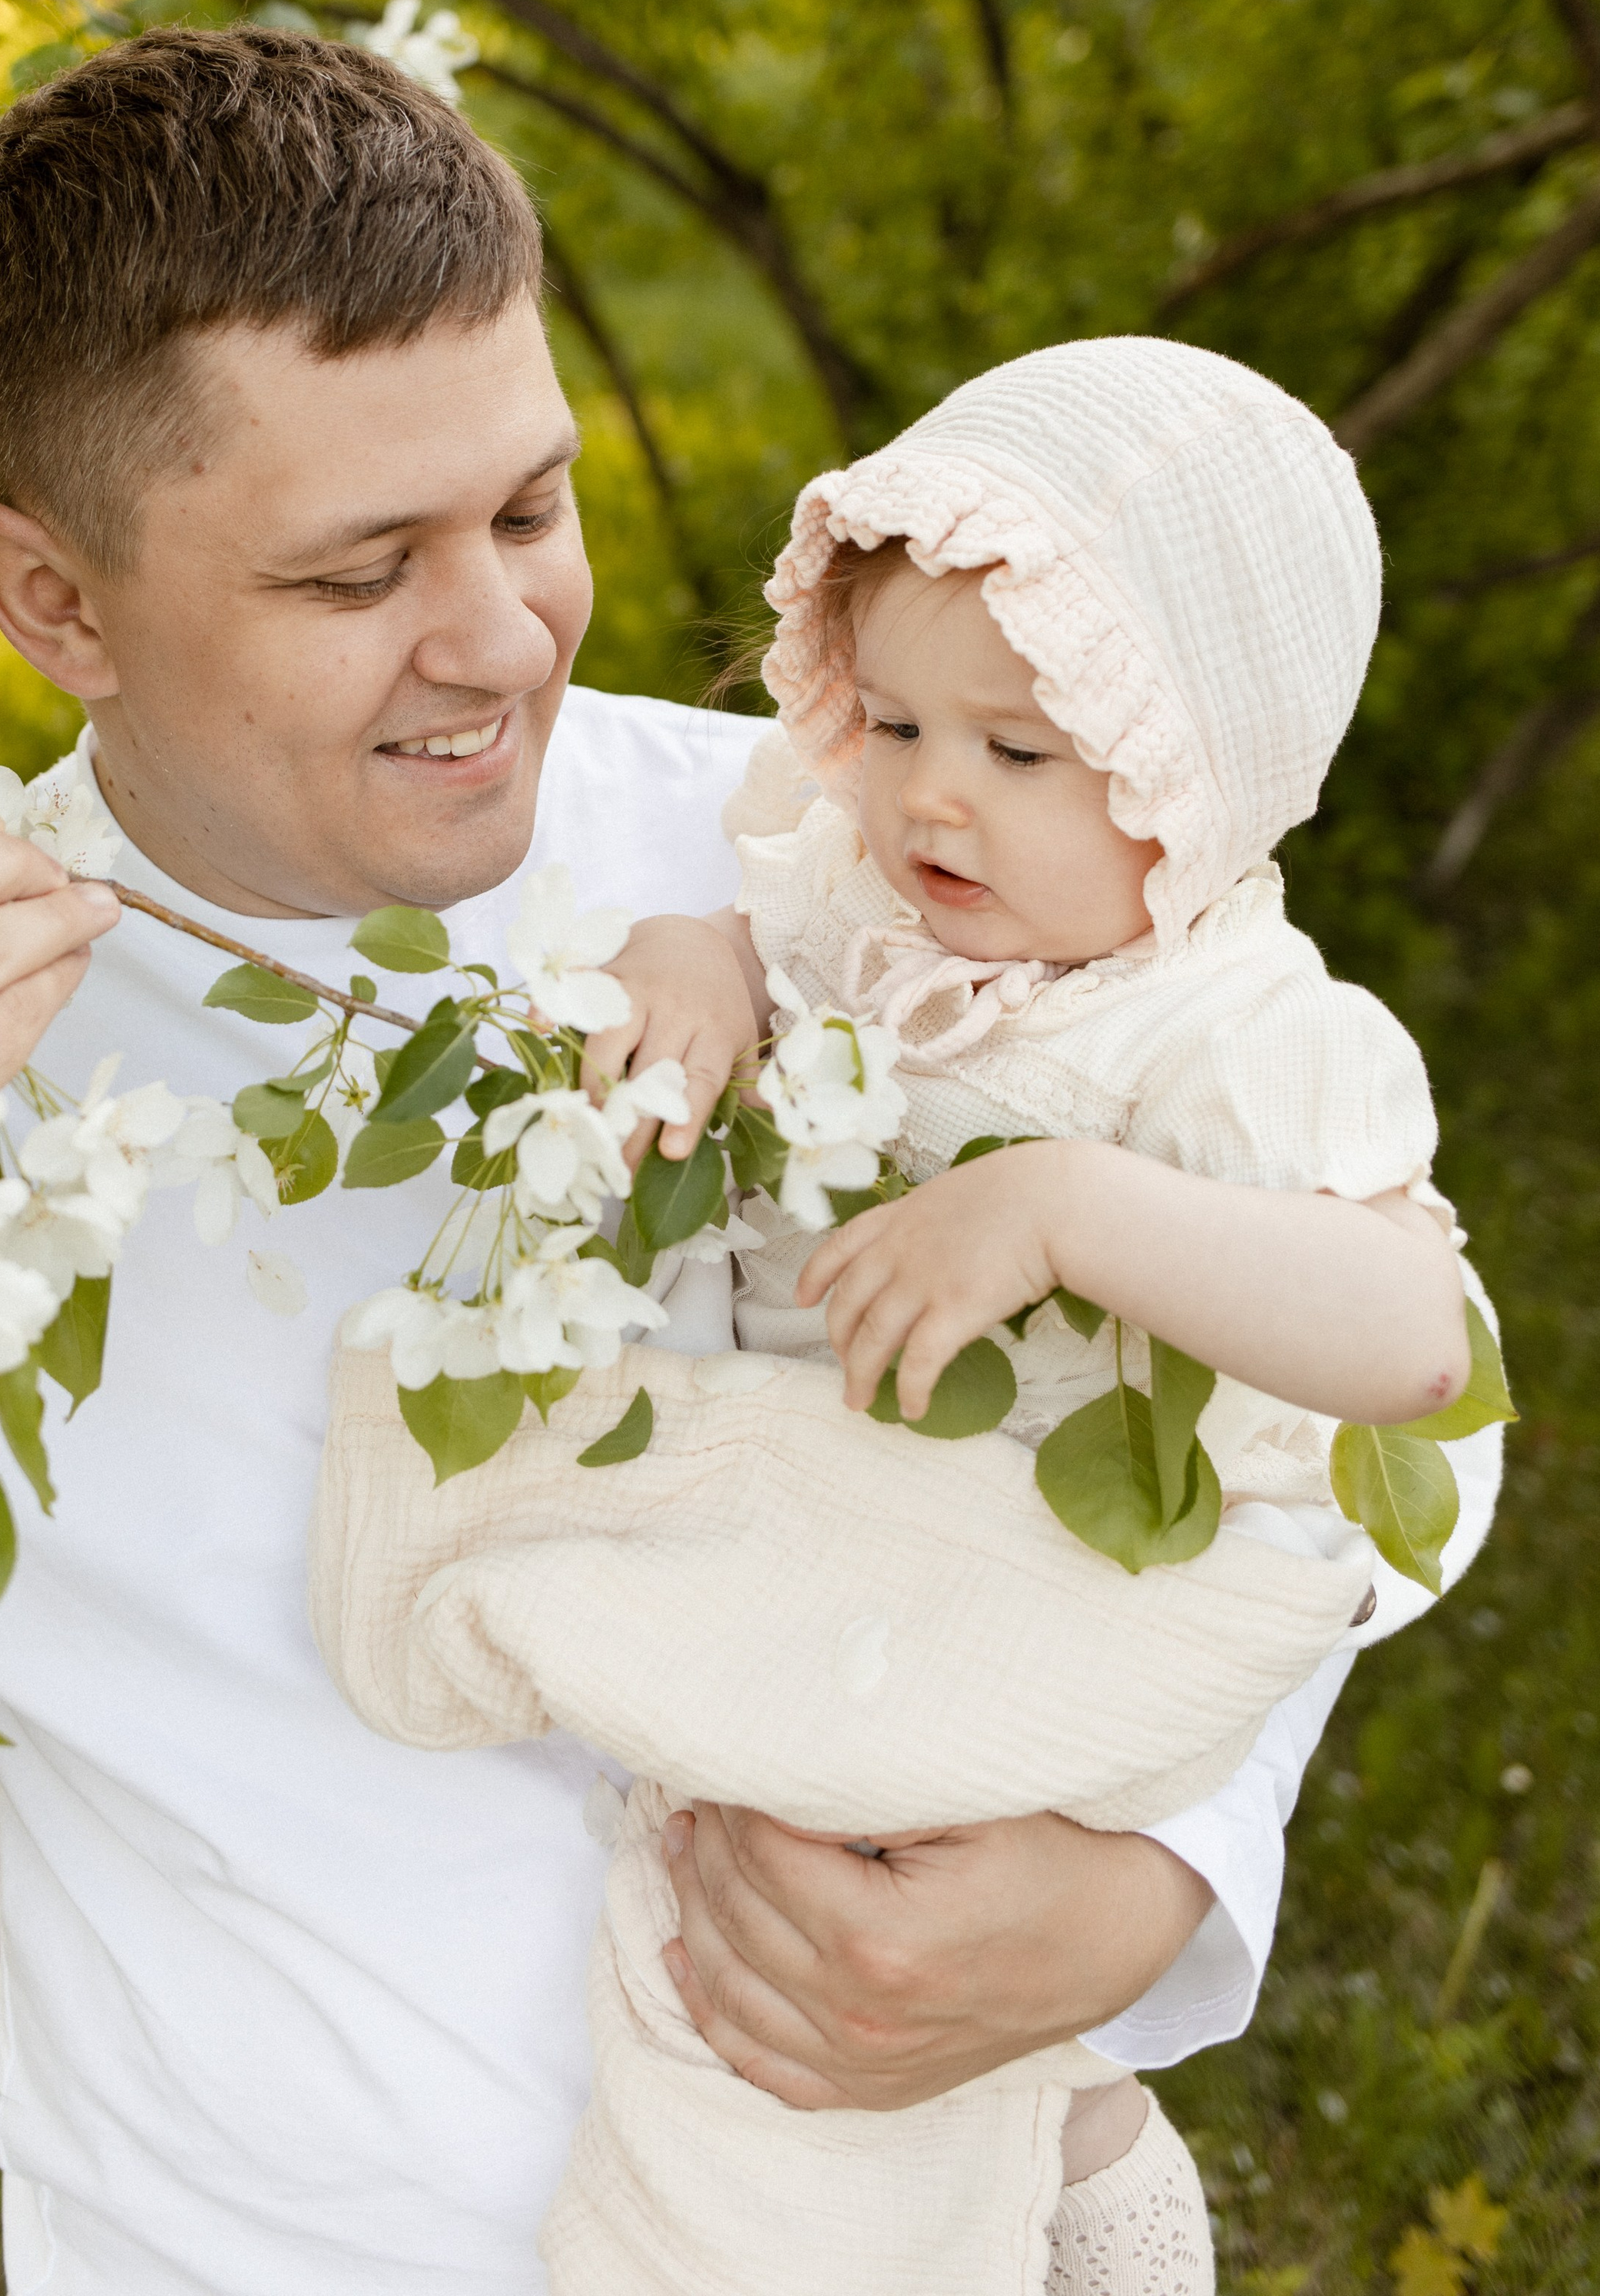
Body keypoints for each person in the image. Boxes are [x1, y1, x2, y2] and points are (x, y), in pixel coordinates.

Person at [0, 35, 1497, 2296]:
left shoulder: (853, 861)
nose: (504, 636)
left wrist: (1149, 1886)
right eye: (357, 575)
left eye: (529, 510)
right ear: (55, 602)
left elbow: (1373, 1415)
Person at [314, 336, 1500, 2294]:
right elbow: (743, 942)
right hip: (847, 1532)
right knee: (740, 1904)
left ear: (1199, 791)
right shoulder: (855, 897)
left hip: (1062, 1559)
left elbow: (1410, 1344)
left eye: (1021, 755)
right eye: (889, 723)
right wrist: (690, 969)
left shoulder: (1223, 1028)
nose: (929, 799)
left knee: (766, 2006)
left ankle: (958, 2190)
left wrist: (1063, 1207)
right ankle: (1074, 2140)